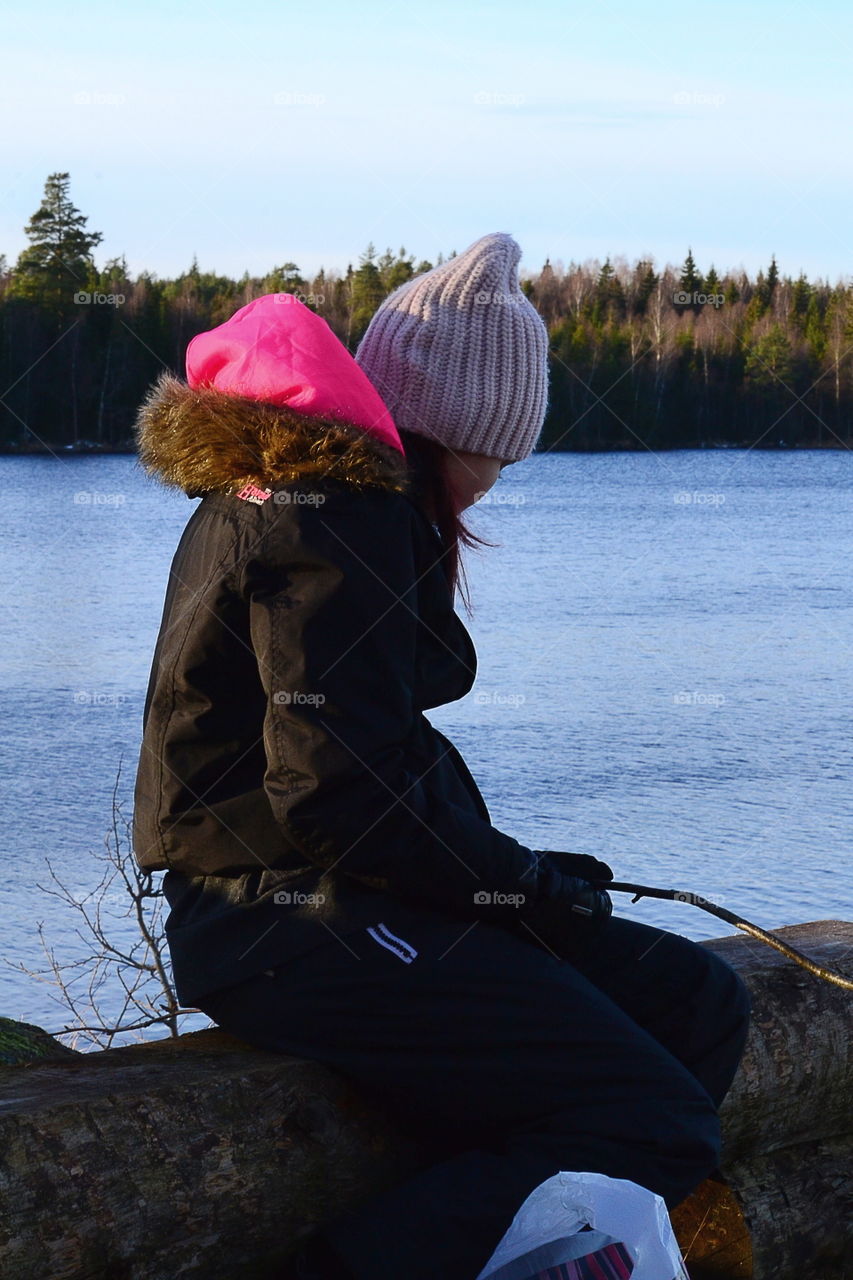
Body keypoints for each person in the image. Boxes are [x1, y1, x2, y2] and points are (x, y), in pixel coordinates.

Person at [131, 233, 750, 1280]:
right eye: (496, 458)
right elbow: (334, 792)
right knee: (652, 1116)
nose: (495, 485)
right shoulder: (328, 512)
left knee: (692, 998)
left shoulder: (331, 502)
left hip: (336, 894)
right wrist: (522, 893)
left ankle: (528, 1234)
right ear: (446, 432)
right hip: (279, 915)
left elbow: (365, 764)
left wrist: (523, 875)